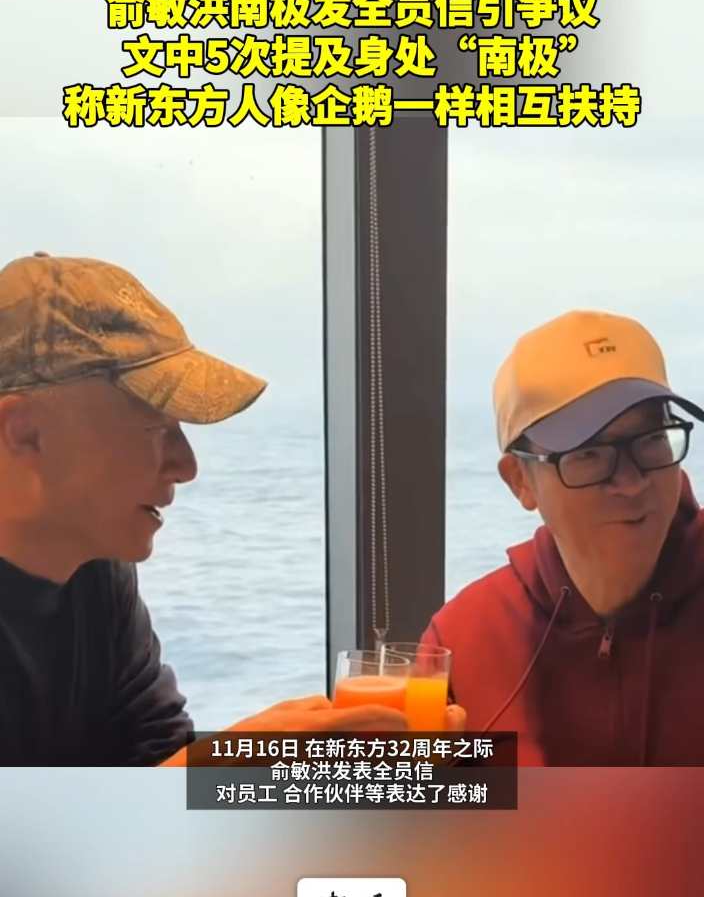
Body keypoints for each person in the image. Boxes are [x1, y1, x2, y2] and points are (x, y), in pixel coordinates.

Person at [0, 252, 464, 766]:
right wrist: (226, 759)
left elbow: (151, 773)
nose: (186, 466)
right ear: (26, 432)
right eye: (155, 428)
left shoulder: (97, 575)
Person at [423, 309, 704, 767]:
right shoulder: (464, 640)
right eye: (588, 454)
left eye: (652, 439)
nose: (631, 482)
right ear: (520, 481)